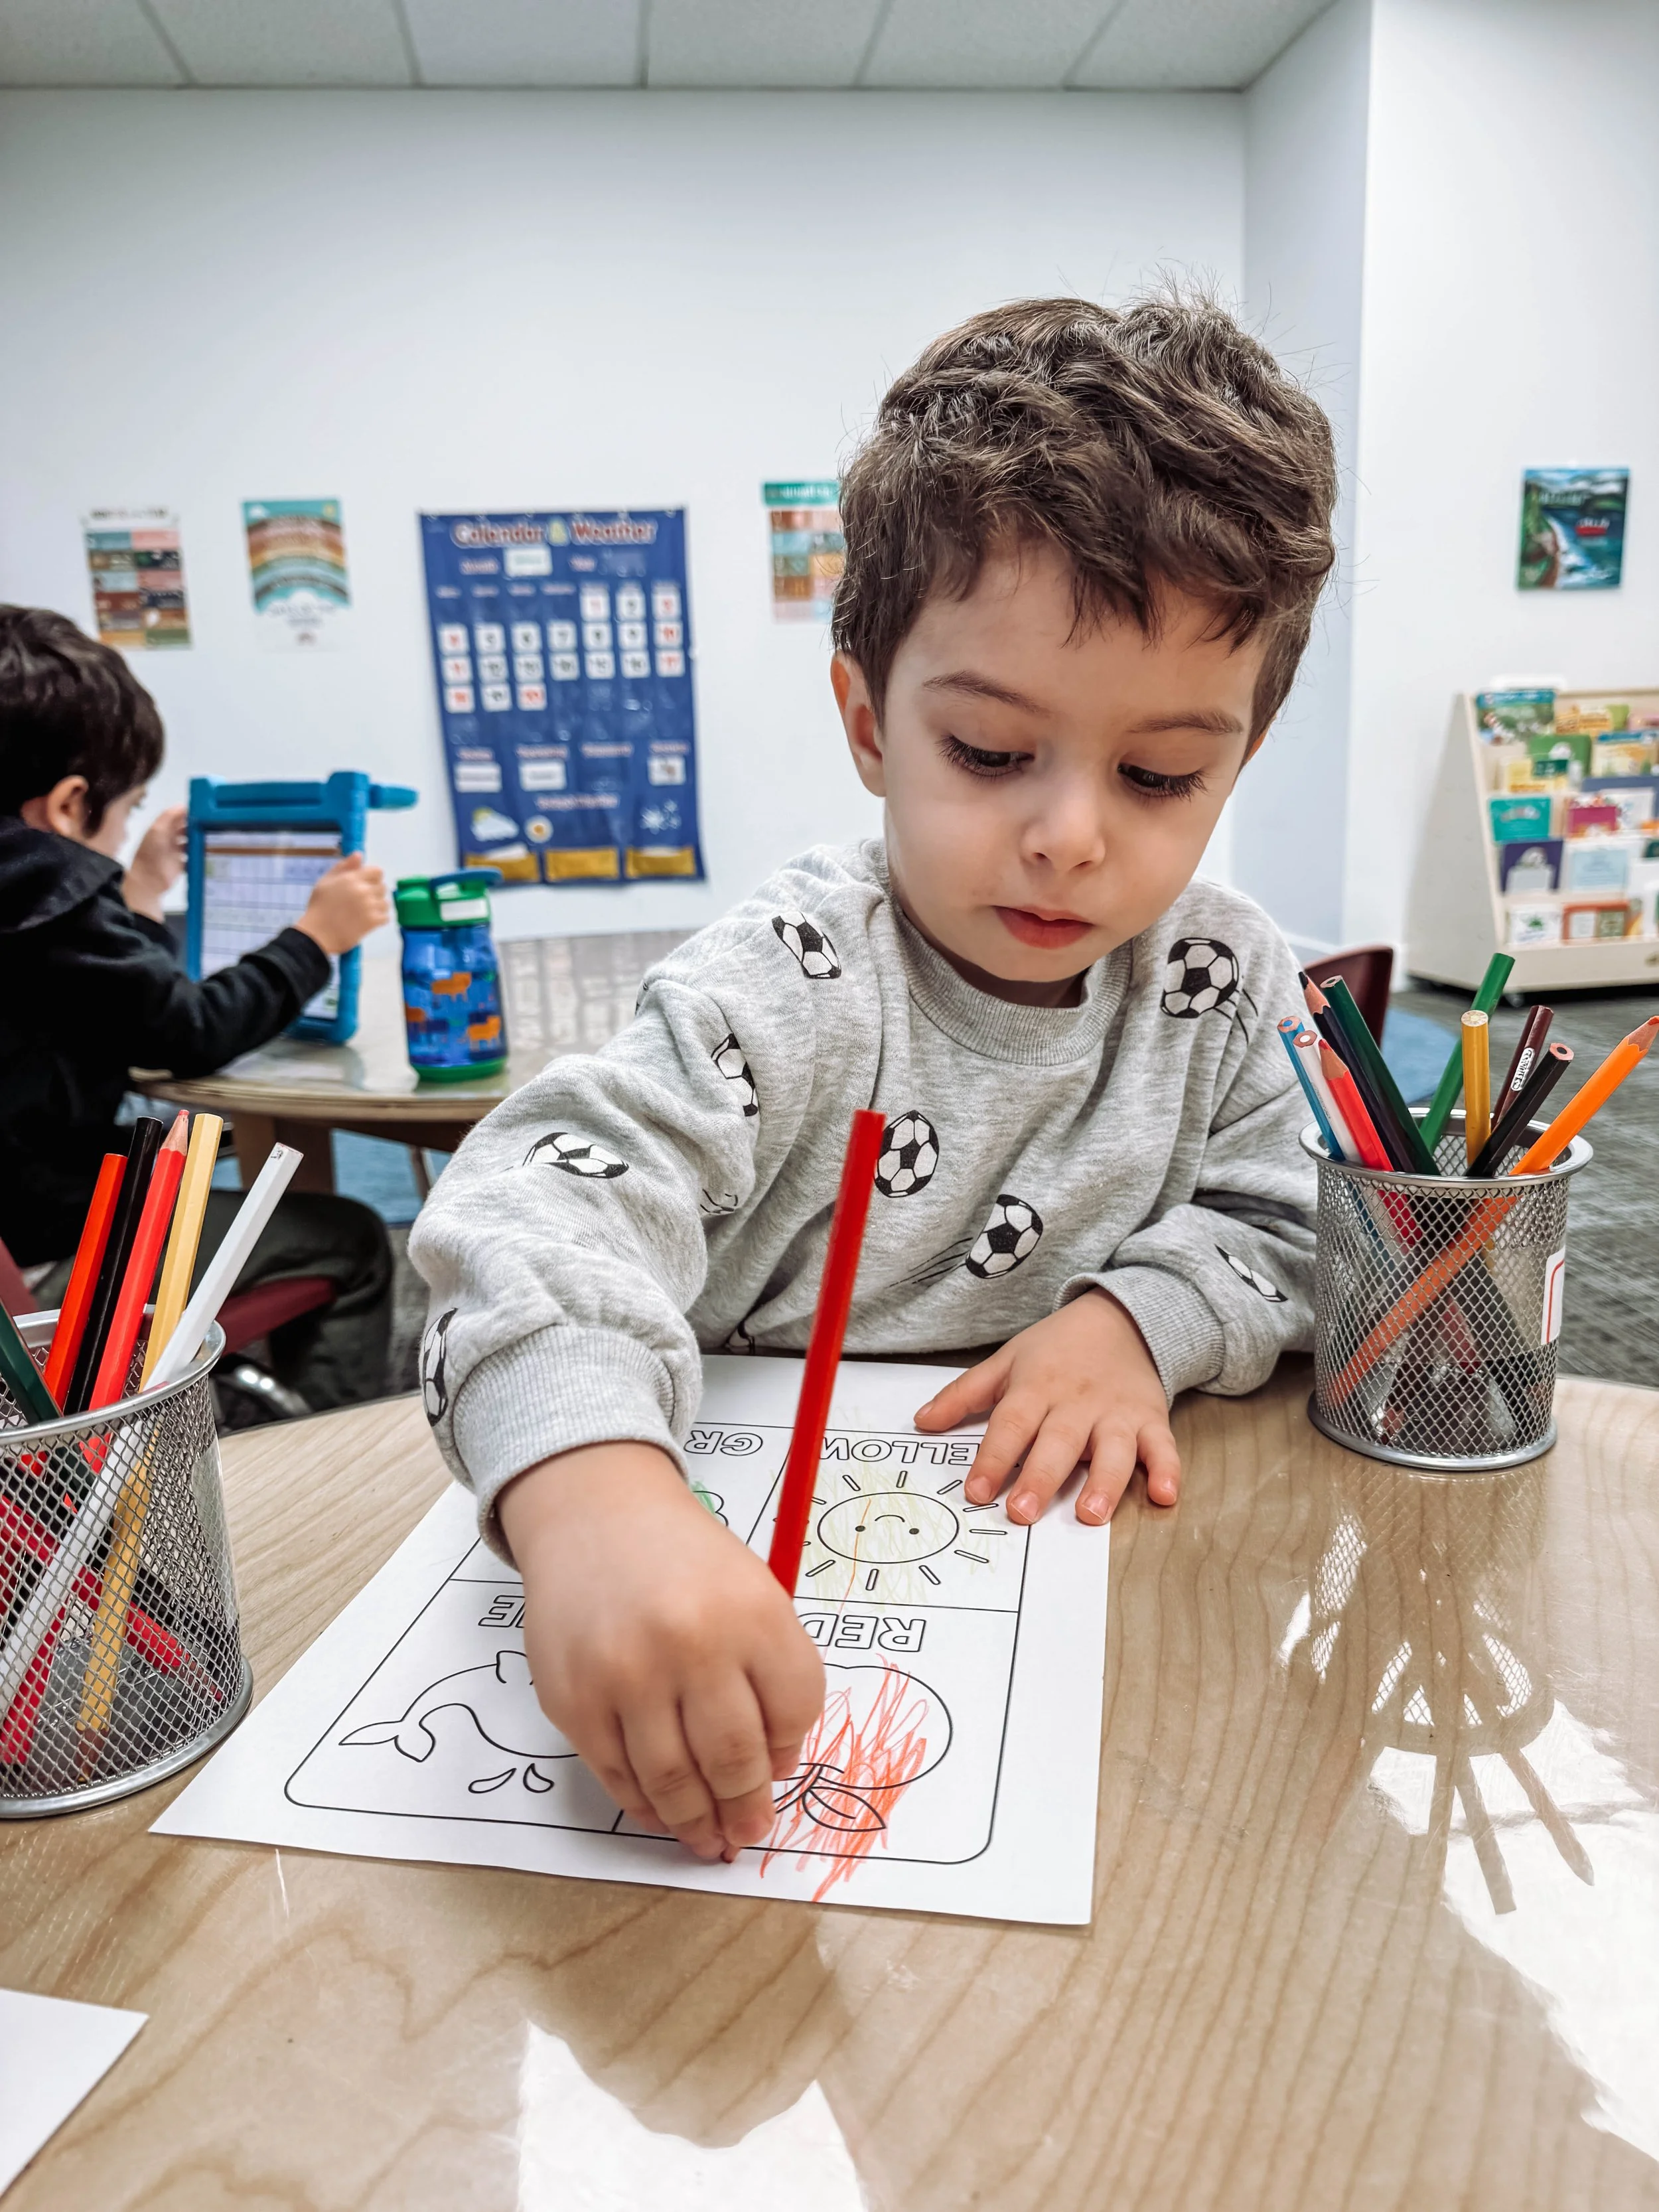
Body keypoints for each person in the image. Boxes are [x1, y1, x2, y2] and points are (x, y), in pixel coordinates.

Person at [411, 293, 1339, 1862]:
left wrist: (1138, 1320)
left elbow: (1314, 1206)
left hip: (1091, 1629)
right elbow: (535, 1209)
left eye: (1161, 775)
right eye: (989, 752)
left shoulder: (1224, 982)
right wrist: (590, 1497)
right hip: (719, 1587)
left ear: (1236, 758)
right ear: (868, 722)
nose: (1069, 834)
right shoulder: (790, 978)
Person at [0, 604, 394, 1410]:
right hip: (45, 1258)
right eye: (126, 807)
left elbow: (112, 999)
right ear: (71, 805)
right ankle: (318, 1466)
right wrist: (314, 938)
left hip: (21, 1204)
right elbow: (191, 1029)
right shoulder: (49, 893)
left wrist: (137, 893)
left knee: (200, 1155)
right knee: (352, 1237)